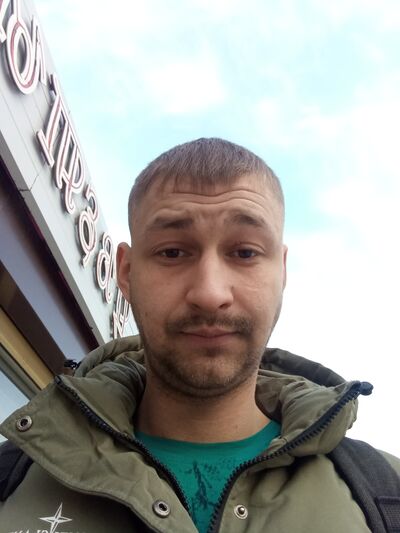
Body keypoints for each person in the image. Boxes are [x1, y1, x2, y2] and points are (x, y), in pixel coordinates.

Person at [0, 138, 399, 533]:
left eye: (245, 253)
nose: (210, 294)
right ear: (126, 272)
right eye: (172, 252)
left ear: (281, 272)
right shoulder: (11, 480)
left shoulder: (386, 492)